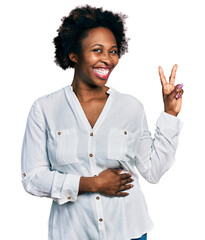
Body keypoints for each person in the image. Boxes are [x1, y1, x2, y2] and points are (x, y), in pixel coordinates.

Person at [21, 5, 183, 240]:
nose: (107, 59)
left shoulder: (130, 107)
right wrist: (92, 184)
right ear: (74, 54)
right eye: (97, 50)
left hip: (129, 231)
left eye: (113, 51)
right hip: (73, 234)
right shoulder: (45, 109)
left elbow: (153, 171)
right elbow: (33, 179)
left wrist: (170, 114)